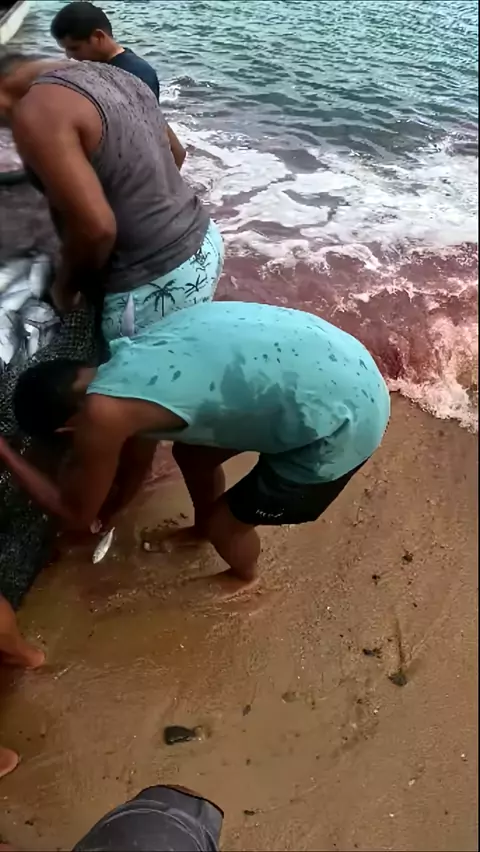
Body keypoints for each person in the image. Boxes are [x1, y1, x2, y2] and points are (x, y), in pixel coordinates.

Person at [0, 302, 390, 600]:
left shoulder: (102, 414)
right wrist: (115, 505)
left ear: (67, 428)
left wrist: (5, 452)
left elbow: (75, 514)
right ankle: (203, 528)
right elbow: (139, 456)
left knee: (227, 525)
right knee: (192, 453)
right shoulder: (131, 358)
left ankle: (244, 576)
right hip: (343, 361)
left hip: (343, 426)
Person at [0, 52, 223, 336]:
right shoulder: (117, 76)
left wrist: (65, 290)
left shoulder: (37, 108)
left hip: (153, 280)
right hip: (204, 244)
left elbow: (97, 230)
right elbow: (176, 152)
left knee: (127, 363)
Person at [51, 2, 160, 101]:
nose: (69, 56)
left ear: (98, 37)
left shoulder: (136, 74)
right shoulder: (98, 67)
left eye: (74, 48)